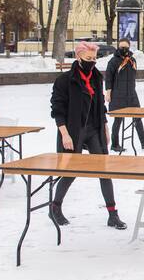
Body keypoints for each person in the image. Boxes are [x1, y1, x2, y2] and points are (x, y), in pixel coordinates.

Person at [49, 41, 126, 230]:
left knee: (104, 170)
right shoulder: (65, 80)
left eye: (94, 59)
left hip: (94, 129)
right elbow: (57, 110)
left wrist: (105, 127)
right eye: (88, 59)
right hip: (72, 131)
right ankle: (55, 207)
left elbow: (100, 105)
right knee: (70, 171)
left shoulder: (96, 78)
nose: (92, 62)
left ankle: (112, 214)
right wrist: (65, 134)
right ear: (78, 57)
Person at [106, 38, 144, 153]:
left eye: (126, 47)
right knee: (118, 120)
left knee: (138, 118)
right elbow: (108, 78)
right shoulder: (113, 61)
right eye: (121, 47)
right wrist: (108, 92)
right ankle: (115, 144)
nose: (124, 49)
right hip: (118, 95)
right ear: (118, 47)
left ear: (129, 47)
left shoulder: (132, 60)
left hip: (131, 95)